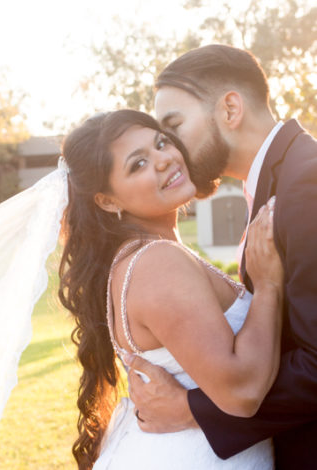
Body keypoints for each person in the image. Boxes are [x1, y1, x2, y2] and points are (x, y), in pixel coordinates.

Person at [58, 109, 283, 469]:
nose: (164, 160)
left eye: (161, 142)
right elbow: (242, 391)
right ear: (108, 200)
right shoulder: (156, 262)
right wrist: (269, 285)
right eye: (138, 164)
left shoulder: (144, 256)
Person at [126, 44, 317, 470]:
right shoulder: (279, 179)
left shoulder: (306, 184)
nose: (170, 150)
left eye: (174, 126)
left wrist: (193, 409)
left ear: (230, 109)